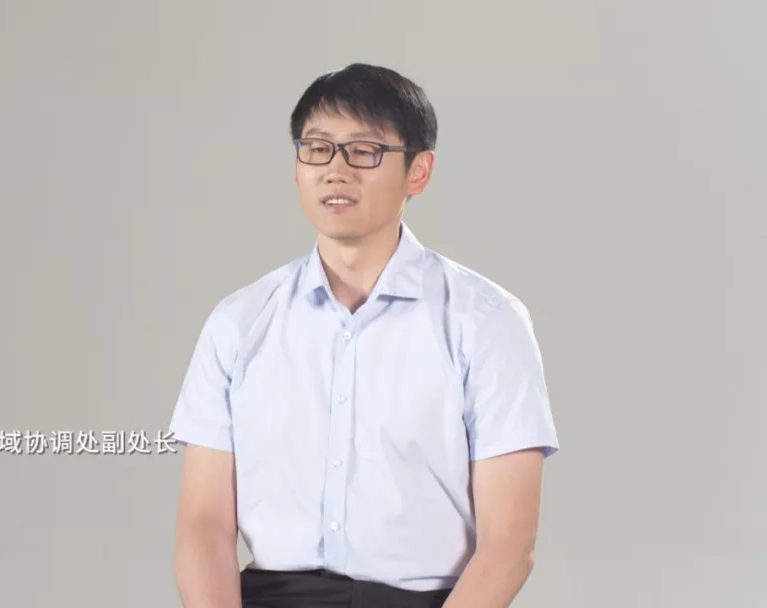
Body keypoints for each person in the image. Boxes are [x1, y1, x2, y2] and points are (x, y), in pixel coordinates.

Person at [168, 63, 559, 608]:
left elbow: (509, 544)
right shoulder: (238, 322)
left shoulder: (487, 321)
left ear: (418, 171)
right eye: (317, 149)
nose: (335, 170)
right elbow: (204, 523)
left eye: (364, 151)